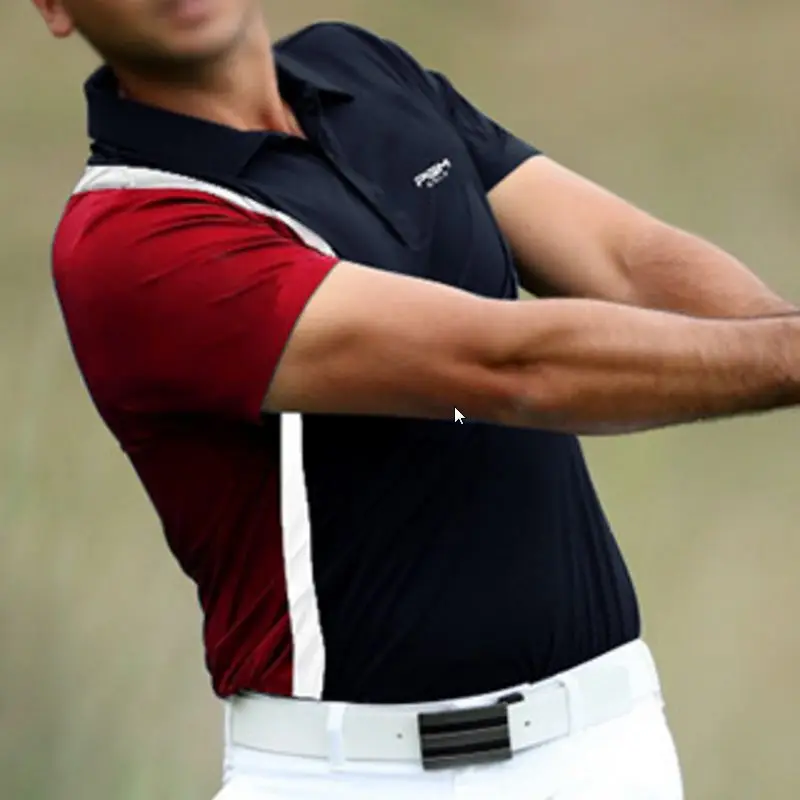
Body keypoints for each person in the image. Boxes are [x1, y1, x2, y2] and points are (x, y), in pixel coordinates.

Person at [31, 1, 799, 798]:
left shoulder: (362, 71)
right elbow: (508, 368)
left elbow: (623, 258)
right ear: (54, 8)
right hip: (354, 775)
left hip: (606, 746)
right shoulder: (130, 237)